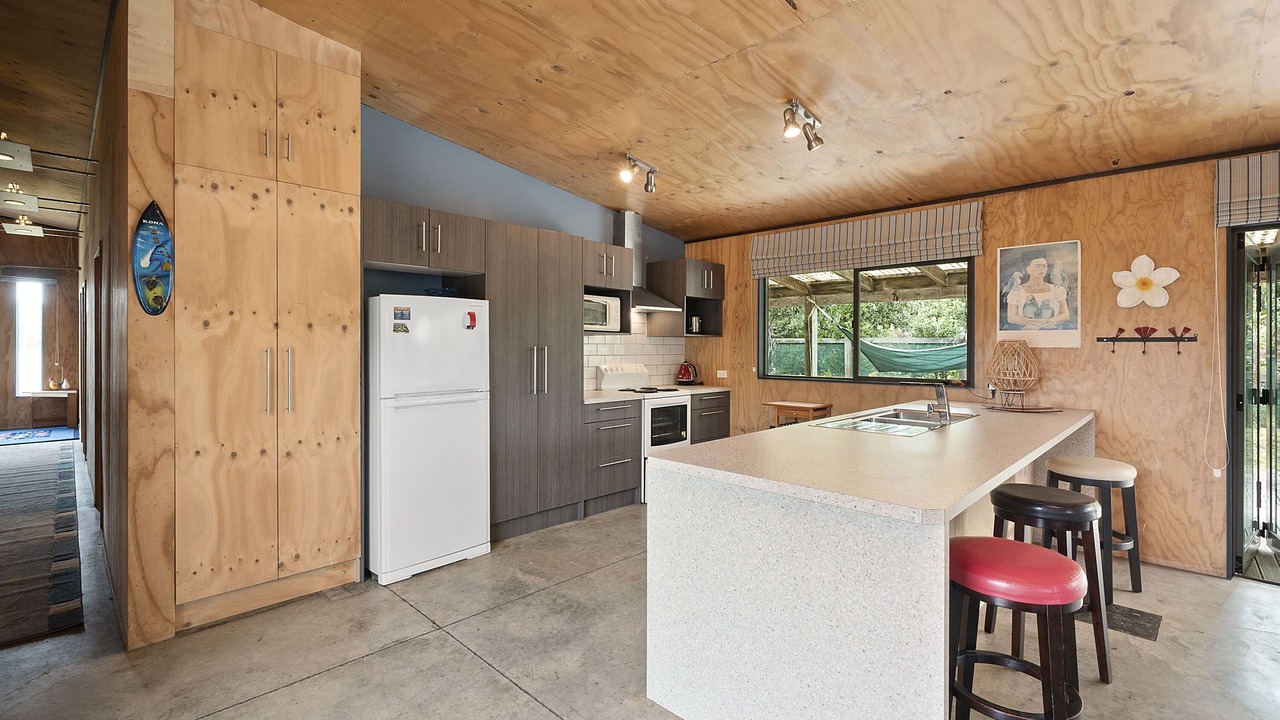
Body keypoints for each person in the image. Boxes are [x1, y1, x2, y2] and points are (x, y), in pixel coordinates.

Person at [1005, 249, 1072, 329]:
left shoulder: (1057, 290)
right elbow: (1011, 318)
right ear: (1028, 269)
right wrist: (1036, 322)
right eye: (1038, 266)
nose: (1042, 269)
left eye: (1044, 266)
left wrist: (1042, 324)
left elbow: (1065, 315)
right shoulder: (1016, 292)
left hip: (1053, 331)